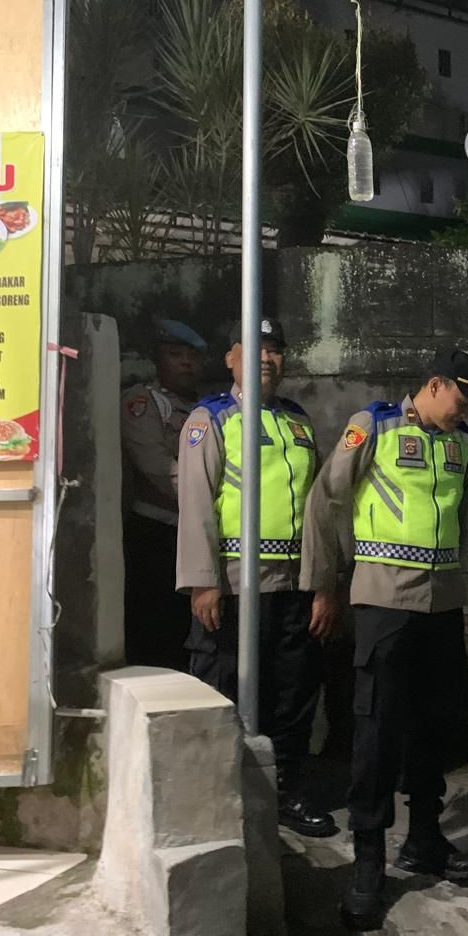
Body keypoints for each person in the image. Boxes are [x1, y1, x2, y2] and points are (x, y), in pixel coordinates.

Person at [300, 348, 468, 929]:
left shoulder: (459, 442)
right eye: (461, 399)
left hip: (442, 603)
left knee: (435, 723)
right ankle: (368, 860)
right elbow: (326, 500)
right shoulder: (375, 426)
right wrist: (325, 584)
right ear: (434, 384)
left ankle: (425, 838)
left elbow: (458, 515)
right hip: (384, 601)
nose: (465, 413)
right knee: (377, 729)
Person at [175, 316, 336, 839]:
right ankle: (218, 799)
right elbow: (196, 502)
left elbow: (316, 508)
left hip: (293, 586)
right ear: (231, 358)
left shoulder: (297, 421)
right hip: (235, 587)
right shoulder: (211, 418)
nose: (266, 358)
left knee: (293, 694)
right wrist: (203, 581)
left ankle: (286, 792)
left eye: (275, 350)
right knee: (224, 690)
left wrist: (322, 582)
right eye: (254, 348)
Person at [120, 319, 206, 671]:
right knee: (156, 635)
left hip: (194, 532)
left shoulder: (208, 408)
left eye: (192, 356)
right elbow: (157, 467)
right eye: (175, 354)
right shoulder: (144, 402)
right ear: (157, 359)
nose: (185, 363)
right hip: (155, 534)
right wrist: (209, 506)